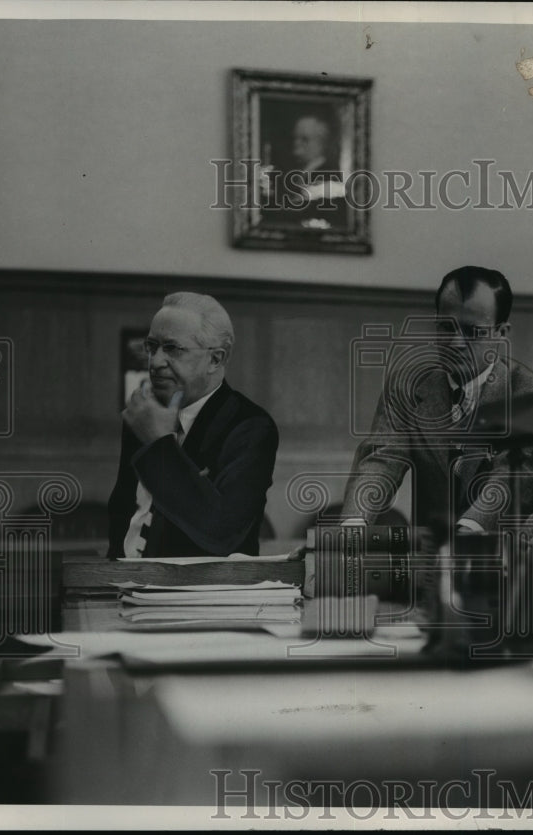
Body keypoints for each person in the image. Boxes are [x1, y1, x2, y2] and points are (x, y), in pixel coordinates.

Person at [342, 266, 533, 533]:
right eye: (445, 327)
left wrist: (467, 531)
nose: (455, 343)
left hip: (508, 560)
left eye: (472, 331)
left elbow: (512, 477)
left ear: (501, 333)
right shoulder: (407, 387)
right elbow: (381, 460)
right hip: (431, 563)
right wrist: (352, 525)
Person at [107, 292, 279, 558]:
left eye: (172, 349)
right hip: (124, 585)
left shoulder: (252, 427)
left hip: (204, 594)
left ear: (216, 359)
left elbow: (221, 533)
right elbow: (123, 514)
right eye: (151, 347)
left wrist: (160, 445)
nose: (155, 362)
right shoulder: (142, 415)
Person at [260, 112, 347, 229]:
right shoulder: (293, 174)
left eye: (304, 139)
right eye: (295, 138)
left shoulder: (330, 176)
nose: (296, 144)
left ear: (323, 143)